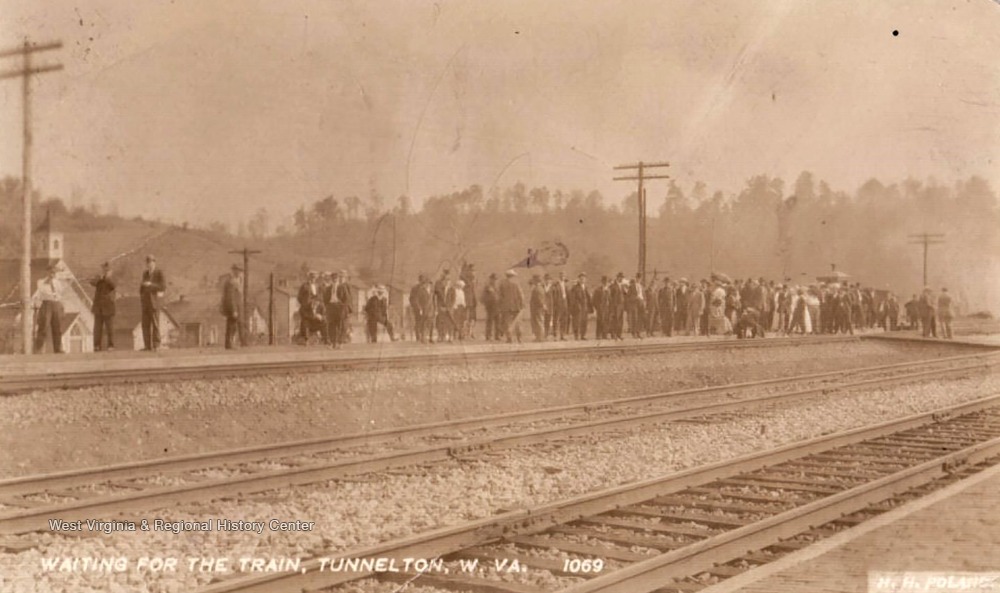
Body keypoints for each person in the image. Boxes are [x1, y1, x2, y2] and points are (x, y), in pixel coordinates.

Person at [34, 264, 64, 353]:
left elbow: (60, 293)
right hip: (46, 304)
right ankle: (39, 349)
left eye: (54, 272)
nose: (52, 274)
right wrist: (48, 281)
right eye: (51, 272)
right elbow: (43, 292)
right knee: (43, 326)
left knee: (57, 327)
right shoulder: (41, 282)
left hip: (56, 304)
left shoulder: (58, 282)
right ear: (47, 272)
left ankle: (58, 349)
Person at [139, 255, 166, 351]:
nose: (149, 264)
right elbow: (141, 287)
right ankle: (147, 346)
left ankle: (156, 345)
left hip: (154, 302)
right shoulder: (145, 274)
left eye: (150, 262)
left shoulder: (159, 273)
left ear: (154, 262)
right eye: (147, 263)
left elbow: (162, 286)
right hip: (145, 302)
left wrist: (151, 285)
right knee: (145, 324)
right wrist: (142, 296)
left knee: (155, 323)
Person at [90, 261, 116, 351]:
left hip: (108, 307)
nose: (105, 271)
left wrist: (106, 278)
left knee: (110, 328)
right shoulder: (100, 279)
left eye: (107, 270)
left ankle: (111, 345)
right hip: (98, 307)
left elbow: (113, 286)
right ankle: (97, 345)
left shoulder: (112, 279)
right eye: (104, 269)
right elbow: (92, 282)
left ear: (110, 271)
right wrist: (99, 278)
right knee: (97, 328)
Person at [297, 270, 328, 345]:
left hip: (316, 313)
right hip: (307, 309)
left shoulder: (318, 286)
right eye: (311, 277)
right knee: (305, 323)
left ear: (316, 278)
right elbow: (299, 297)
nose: (313, 279)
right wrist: (305, 303)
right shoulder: (304, 286)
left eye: (314, 277)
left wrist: (319, 316)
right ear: (309, 277)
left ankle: (326, 340)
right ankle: (306, 340)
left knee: (324, 322)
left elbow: (321, 296)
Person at [498, 269, 524, 343]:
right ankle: (519, 338)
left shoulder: (502, 284)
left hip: (506, 306)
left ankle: (509, 338)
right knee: (517, 322)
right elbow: (521, 295)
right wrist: (522, 304)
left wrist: (500, 305)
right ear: (513, 276)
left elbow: (500, 296)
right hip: (516, 306)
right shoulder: (516, 284)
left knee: (507, 322)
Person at [222, 264, 244, 349]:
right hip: (232, 307)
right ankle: (229, 344)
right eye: (238, 271)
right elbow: (231, 297)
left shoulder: (236, 281)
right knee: (231, 326)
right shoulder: (231, 282)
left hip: (236, 307)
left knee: (233, 325)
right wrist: (234, 310)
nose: (240, 273)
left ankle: (231, 343)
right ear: (234, 271)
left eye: (240, 271)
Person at [410, 274, 434, 343]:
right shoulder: (415, 288)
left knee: (427, 322)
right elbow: (412, 298)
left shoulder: (428, 289)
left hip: (426, 308)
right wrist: (416, 307)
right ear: (419, 280)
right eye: (422, 281)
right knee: (418, 322)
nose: (423, 283)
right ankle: (418, 336)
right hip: (418, 307)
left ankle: (425, 336)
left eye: (424, 281)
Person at [568, 273, 591, 340]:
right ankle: (576, 336)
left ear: (585, 280)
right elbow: (572, 298)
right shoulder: (575, 288)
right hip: (578, 308)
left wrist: (589, 307)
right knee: (577, 322)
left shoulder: (585, 287)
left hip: (585, 308)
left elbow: (588, 298)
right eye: (581, 279)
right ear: (579, 279)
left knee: (584, 322)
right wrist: (576, 306)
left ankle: (583, 335)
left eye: (583, 278)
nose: (582, 280)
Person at [481, 273, 500, 341]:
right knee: (490, 321)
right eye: (493, 279)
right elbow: (483, 297)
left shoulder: (496, 287)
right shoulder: (487, 286)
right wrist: (486, 304)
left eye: (495, 279)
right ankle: (488, 336)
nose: (494, 281)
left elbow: (498, 295)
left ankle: (497, 336)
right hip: (490, 306)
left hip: (497, 306)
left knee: (497, 321)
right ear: (491, 279)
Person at [529, 274, 547, 342]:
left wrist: (542, 305)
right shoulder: (540, 288)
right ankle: (539, 337)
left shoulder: (537, 289)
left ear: (536, 281)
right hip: (538, 308)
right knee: (539, 322)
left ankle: (540, 337)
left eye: (534, 280)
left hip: (537, 309)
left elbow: (540, 300)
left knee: (539, 322)